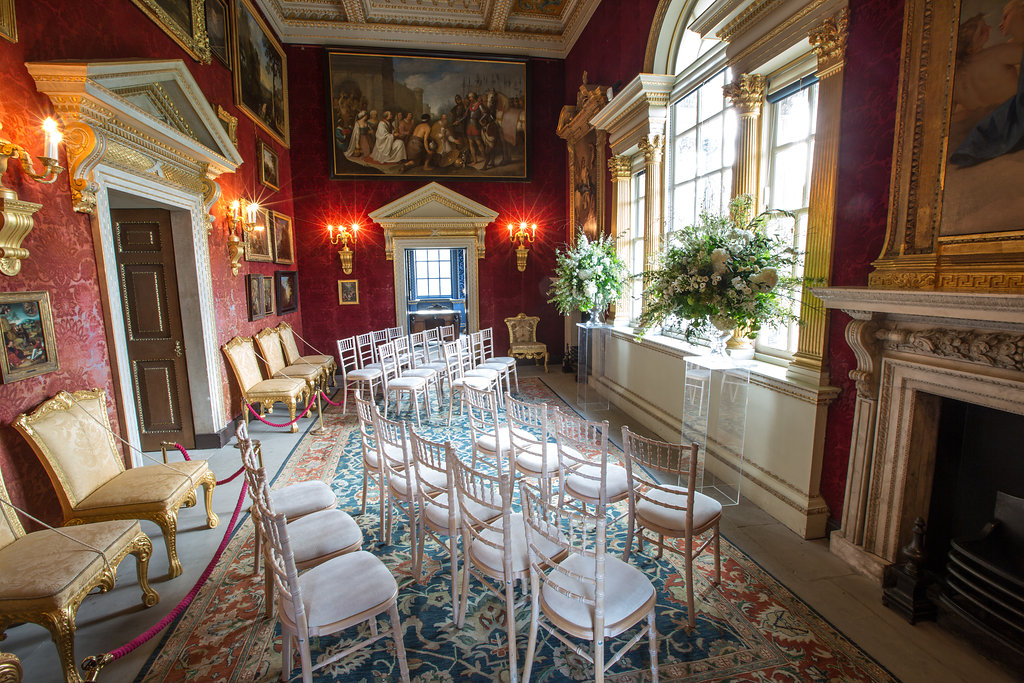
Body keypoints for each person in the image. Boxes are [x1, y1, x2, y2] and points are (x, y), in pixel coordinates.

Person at [951, 2, 1024, 166]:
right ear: (970, 47)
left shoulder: (955, 81)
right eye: (983, 31)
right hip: (1008, 121)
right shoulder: (996, 54)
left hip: (983, 131)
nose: (991, 29)